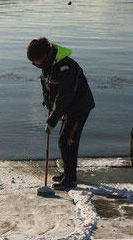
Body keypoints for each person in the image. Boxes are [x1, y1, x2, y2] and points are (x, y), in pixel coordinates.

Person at [27, 37, 95, 190]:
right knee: (63, 140)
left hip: (79, 107)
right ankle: (67, 174)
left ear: (44, 55)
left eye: (37, 60)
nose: (36, 64)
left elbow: (65, 97)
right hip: (67, 108)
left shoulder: (66, 67)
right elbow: (45, 84)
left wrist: (52, 120)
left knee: (67, 140)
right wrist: (47, 99)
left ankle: (71, 179)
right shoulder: (46, 65)